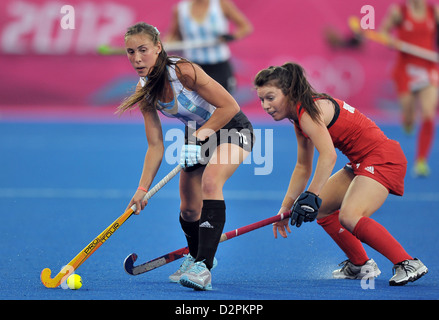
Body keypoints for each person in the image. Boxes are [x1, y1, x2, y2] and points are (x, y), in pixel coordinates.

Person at [254, 62, 428, 286]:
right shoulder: (299, 117)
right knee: (323, 208)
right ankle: (360, 265)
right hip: (360, 162)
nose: (265, 106)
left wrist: (310, 195)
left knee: (349, 215)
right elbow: (302, 167)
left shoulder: (308, 112)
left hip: (382, 158)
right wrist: (286, 207)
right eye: (261, 100)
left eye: (270, 97)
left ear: (288, 92)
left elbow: (328, 156)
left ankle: (407, 263)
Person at [118, 22, 254, 291]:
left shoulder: (183, 71)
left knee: (211, 184)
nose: (136, 58)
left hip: (232, 128)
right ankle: (193, 256)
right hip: (198, 136)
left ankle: (204, 267)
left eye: (143, 50)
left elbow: (230, 105)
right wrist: (142, 188)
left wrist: (201, 134)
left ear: (158, 47)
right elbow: (155, 145)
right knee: (189, 209)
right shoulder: (144, 91)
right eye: (130, 52)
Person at [380, 0, 439, 177]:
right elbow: (383, 32)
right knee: (409, 116)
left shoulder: (434, 12)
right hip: (405, 69)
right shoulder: (399, 12)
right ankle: (408, 119)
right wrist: (389, 40)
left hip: (428, 68)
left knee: (428, 113)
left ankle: (421, 160)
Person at [165, 0, 253, 93]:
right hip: (194, 68)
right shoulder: (180, 9)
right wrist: (162, 45)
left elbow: (245, 27)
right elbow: (173, 35)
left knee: (226, 103)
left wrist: (232, 36)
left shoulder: (221, 4)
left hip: (219, 66)